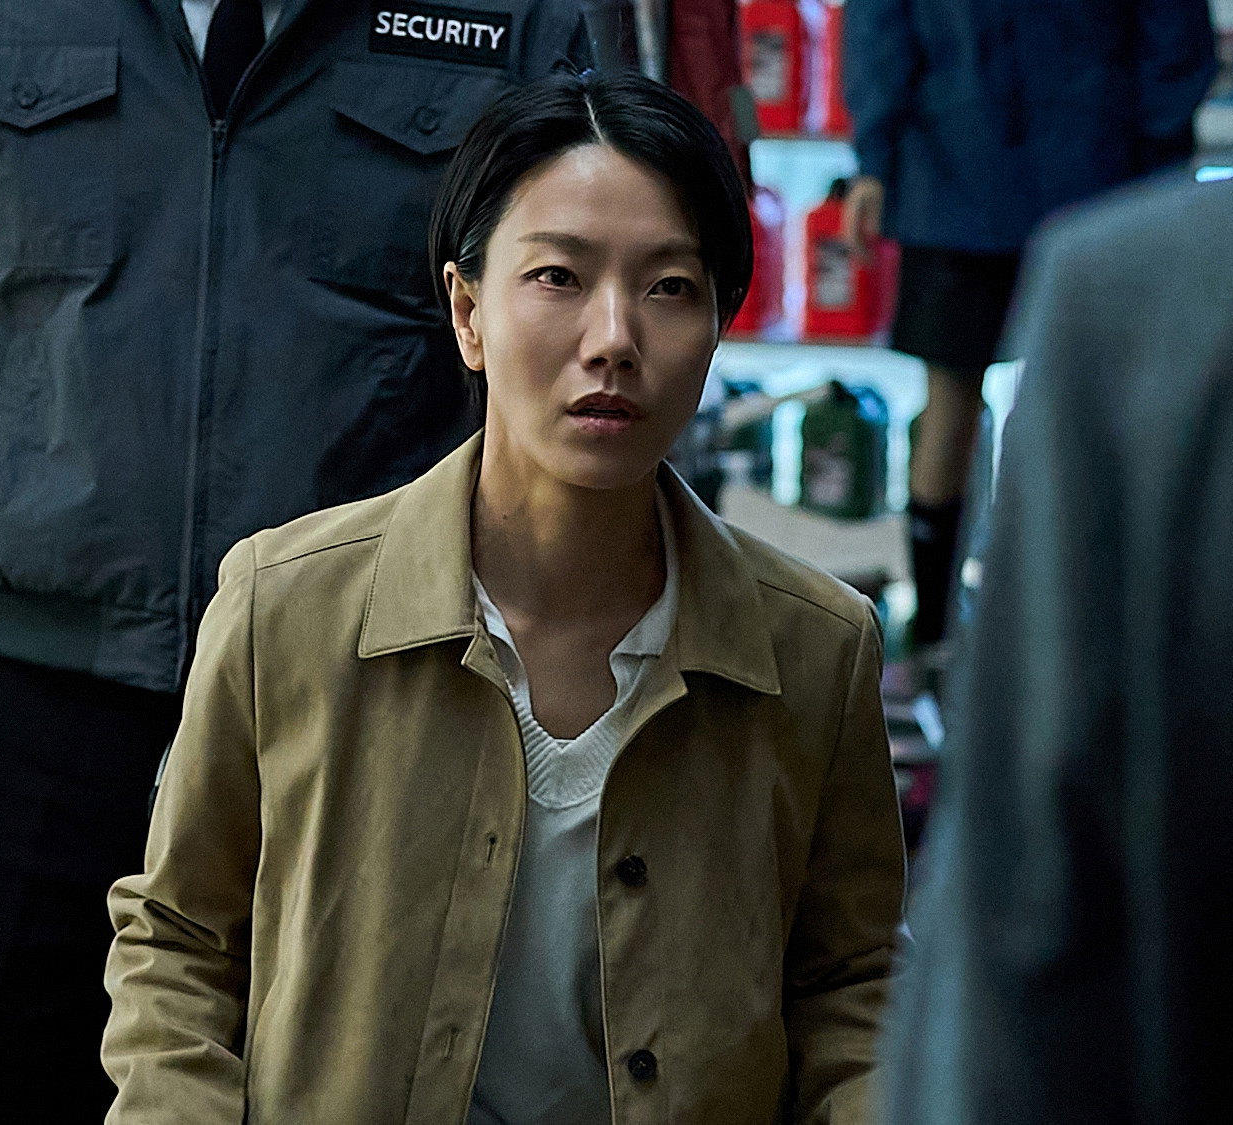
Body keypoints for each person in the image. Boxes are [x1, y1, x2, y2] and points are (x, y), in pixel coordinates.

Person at [0, 2, 591, 1121]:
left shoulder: (507, 16)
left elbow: (571, 369)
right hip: (43, 717)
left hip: (367, 710)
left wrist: (570, 716)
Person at [102, 71, 905, 1124]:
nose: (612, 337)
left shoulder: (815, 649)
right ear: (467, 312)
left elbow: (852, 984)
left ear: (717, 329)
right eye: (557, 277)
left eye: (669, 287)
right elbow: (178, 941)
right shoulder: (283, 607)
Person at [883, 79, 1233, 1122]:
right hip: (1078, 161)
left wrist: (890, 154)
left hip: (985, 179)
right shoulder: (1154, 314)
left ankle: (928, 625)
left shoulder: (1159, 315)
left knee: (953, 406)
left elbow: (1012, 1015)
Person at [842, 0, 1215, 667]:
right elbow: (1173, 33)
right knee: (1087, 407)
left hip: (961, 163)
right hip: (1093, 168)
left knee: (955, 410)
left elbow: (881, 31)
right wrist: (1163, 149)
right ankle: (1078, 622)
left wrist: (876, 155)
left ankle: (937, 634)